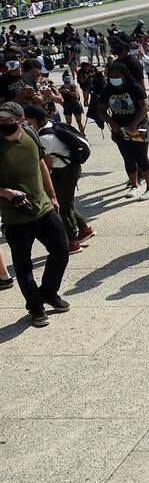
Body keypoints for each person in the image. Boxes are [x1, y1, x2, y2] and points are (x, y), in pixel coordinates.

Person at [0, 102, 70, 328]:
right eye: (0, 121)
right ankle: (36, 308)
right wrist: (7, 193)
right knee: (23, 266)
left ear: (21, 120)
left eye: (9, 121)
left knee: (61, 250)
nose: (4, 124)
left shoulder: (30, 134)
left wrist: (52, 195)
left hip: (43, 208)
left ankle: (49, 292)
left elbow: (41, 164)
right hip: (15, 217)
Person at [25, 105, 94, 254]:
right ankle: (84, 230)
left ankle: (72, 242)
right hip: (70, 168)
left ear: (33, 120)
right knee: (66, 202)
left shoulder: (44, 138)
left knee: (62, 207)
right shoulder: (53, 126)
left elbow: (46, 163)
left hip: (64, 172)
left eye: (27, 120)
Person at [100, 61, 149, 200]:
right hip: (119, 128)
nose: (114, 77)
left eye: (117, 75)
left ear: (124, 75)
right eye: (111, 75)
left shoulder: (135, 87)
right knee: (127, 157)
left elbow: (144, 106)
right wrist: (112, 123)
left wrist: (134, 123)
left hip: (138, 126)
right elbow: (101, 110)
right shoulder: (108, 90)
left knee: (141, 156)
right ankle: (134, 185)